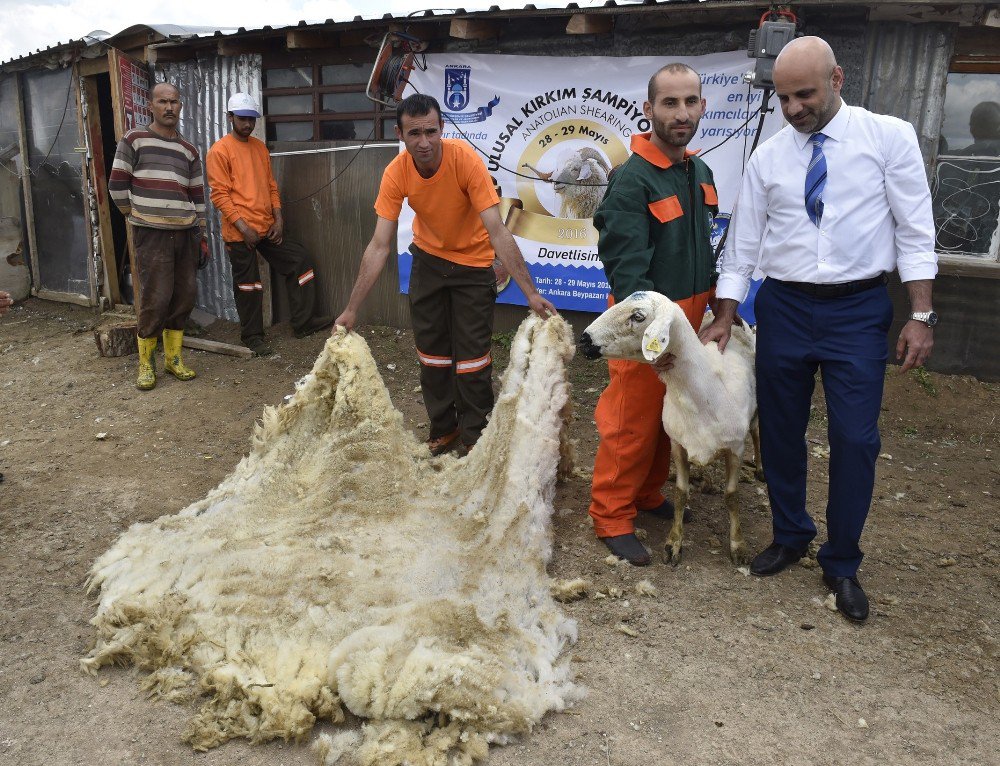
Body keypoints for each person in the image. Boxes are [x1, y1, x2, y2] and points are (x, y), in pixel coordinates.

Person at [701, 37, 937, 623]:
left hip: (857, 311)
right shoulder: (769, 158)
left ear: (837, 78)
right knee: (780, 430)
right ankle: (790, 533)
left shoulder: (889, 138)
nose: (793, 108)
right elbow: (743, 245)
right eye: (783, 97)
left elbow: (914, 229)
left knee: (856, 439)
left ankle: (842, 561)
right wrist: (727, 313)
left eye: (804, 94)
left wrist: (921, 314)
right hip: (783, 308)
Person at [335, 93, 557, 456]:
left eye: (431, 131)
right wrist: (351, 309)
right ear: (400, 135)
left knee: (472, 360)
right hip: (429, 262)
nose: (424, 142)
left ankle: (475, 436)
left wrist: (530, 292)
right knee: (432, 356)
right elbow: (379, 245)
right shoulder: (396, 173)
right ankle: (445, 428)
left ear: (442, 129)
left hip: (472, 266)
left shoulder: (466, 161)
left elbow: (497, 230)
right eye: (414, 134)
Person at [588, 63, 719, 566]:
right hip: (645, 324)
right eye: (669, 103)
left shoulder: (699, 172)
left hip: (690, 322)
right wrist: (652, 336)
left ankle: (646, 494)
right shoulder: (630, 181)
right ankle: (612, 514)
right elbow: (626, 275)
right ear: (649, 111)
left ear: (702, 106)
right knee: (630, 422)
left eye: (690, 101)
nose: (681, 113)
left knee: (668, 420)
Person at [206, 93, 332, 356]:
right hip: (240, 231)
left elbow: (271, 186)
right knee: (248, 284)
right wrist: (243, 228)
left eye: (251, 120)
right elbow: (220, 195)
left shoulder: (259, 148)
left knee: (300, 261)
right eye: (242, 119)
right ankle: (252, 337)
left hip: (265, 226)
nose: (247, 125)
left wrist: (278, 218)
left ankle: (303, 322)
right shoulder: (220, 151)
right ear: (230, 118)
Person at [109, 82, 206, 391]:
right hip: (151, 233)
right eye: (162, 101)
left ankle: (173, 359)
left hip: (185, 232)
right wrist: (134, 215)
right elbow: (116, 185)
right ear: (150, 105)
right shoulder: (134, 139)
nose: (169, 107)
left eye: (174, 102)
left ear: (180, 106)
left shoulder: (189, 150)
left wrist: (200, 231)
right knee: (155, 297)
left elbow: (198, 194)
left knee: (184, 295)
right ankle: (146, 363)